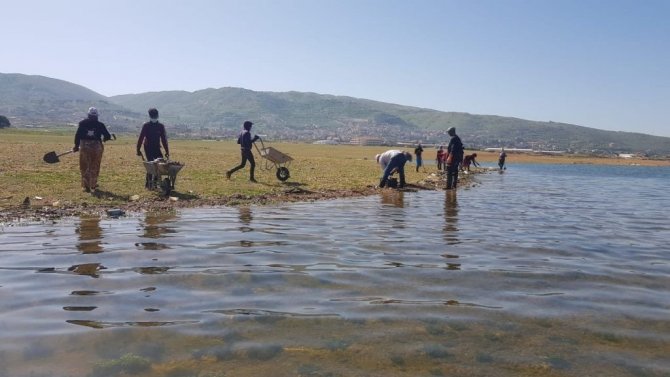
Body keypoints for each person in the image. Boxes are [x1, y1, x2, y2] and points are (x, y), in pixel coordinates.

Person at [73, 107, 111, 193]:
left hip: (84, 147)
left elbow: (77, 135)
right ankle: (93, 184)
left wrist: (76, 146)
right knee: (95, 166)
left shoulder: (82, 123)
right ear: (97, 116)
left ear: (88, 115)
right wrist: (105, 139)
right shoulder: (100, 125)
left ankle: (86, 185)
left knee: (84, 166)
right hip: (96, 148)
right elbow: (107, 136)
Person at [136, 108, 170, 189]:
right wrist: (138, 149)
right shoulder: (146, 126)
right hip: (148, 148)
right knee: (151, 164)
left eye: (155, 116)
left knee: (160, 163)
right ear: (150, 116)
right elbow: (141, 138)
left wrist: (167, 151)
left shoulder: (160, 126)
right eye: (152, 116)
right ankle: (148, 183)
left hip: (157, 147)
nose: (154, 117)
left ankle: (155, 182)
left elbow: (164, 139)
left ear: (157, 116)